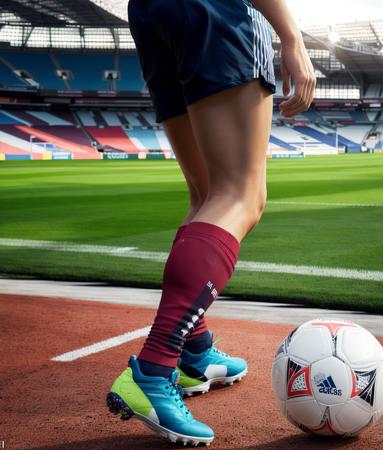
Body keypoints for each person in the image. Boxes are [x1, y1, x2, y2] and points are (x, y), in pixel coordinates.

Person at [107, 0, 316, 445]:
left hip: (150, 12)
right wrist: (291, 36)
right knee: (240, 196)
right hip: (215, 10)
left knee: (206, 196)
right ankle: (155, 366)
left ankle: (193, 352)